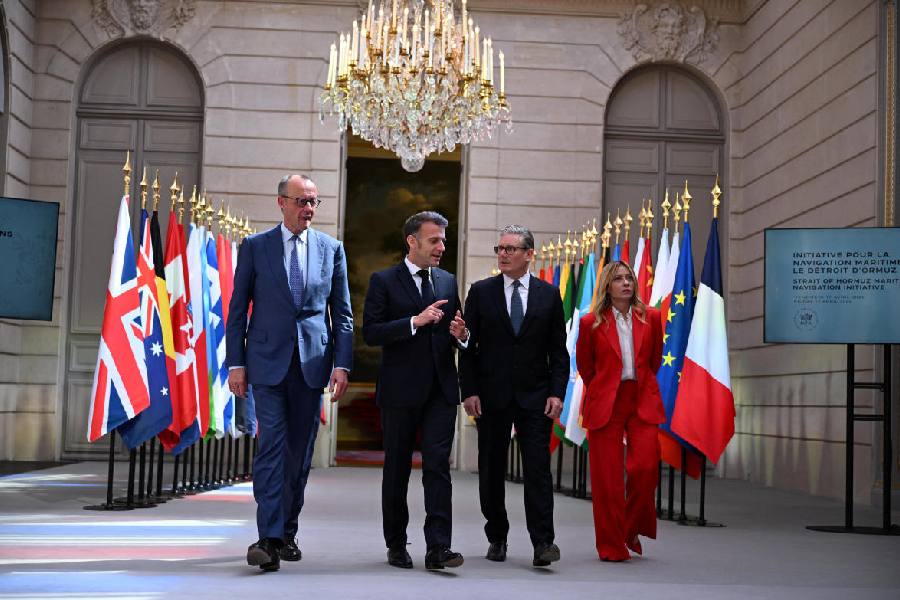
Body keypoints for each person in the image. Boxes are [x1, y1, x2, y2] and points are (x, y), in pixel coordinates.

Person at [226, 174, 353, 572]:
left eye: (314, 202)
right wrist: (236, 363)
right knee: (272, 447)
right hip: (265, 365)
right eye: (301, 201)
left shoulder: (331, 249)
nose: (309, 209)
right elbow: (236, 311)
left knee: (298, 455)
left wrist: (342, 364)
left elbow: (343, 315)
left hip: (312, 365)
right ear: (281, 202)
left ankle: (288, 531)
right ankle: (266, 537)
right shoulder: (255, 247)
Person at [362, 211, 468, 571]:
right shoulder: (384, 281)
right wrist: (413, 321)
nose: (441, 246)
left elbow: (457, 330)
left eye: (443, 239)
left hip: (440, 389)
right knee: (397, 469)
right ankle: (396, 543)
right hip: (399, 389)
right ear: (412, 241)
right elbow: (371, 332)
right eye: (434, 240)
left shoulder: (448, 281)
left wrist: (462, 337)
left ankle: (439, 547)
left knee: (438, 466)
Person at [458, 225, 568, 567]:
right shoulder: (481, 292)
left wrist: (557, 393)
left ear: (529, 254)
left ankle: (543, 543)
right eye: (500, 248)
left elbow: (558, 352)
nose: (503, 254)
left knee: (538, 471)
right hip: (491, 397)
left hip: (536, 397)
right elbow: (467, 347)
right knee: (491, 469)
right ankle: (497, 536)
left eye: (510, 249)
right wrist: (470, 391)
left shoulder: (549, 295)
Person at [575, 260, 664, 562]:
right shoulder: (590, 323)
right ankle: (611, 546)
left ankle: (629, 527)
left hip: (641, 398)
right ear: (607, 286)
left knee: (645, 469)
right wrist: (604, 388)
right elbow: (586, 367)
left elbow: (654, 360)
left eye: (629, 278)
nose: (626, 283)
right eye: (618, 279)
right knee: (607, 480)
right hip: (605, 403)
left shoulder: (651, 317)